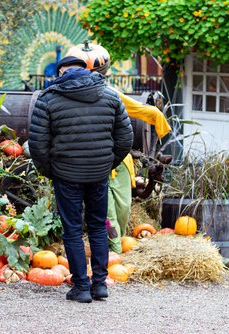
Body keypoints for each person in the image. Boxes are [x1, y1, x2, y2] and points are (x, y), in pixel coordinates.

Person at [28, 56, 133, 303]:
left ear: (62, 71)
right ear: (85, 70)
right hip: (99, 174)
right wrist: (106, 164)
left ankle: (81, 288)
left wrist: (51, 171)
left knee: (73, 230)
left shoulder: (48, 99)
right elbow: (125, 139)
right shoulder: (110, 95)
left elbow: (37, 144)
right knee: (97, 226)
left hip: (66, 175)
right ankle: (99, 285)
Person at [88, 54, 171, 254]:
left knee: (124, 208)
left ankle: (119, 244)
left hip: (121, 162)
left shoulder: (111, 94)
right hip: (97, 164)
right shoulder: (77, 100)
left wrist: (158, 117)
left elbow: (137, 108)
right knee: (107, 212)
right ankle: (115, 251)